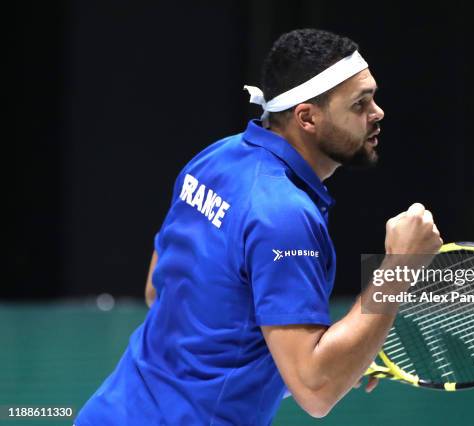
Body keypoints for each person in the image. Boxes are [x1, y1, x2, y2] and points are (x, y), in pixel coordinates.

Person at [75, 28, 442, 425]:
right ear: (307, 117)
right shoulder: (284, 215)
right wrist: (400, 265)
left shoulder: (216, 158)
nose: (378, 113)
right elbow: (316, 390)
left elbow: (158, 291)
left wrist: (340, 360)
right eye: (360, 104)